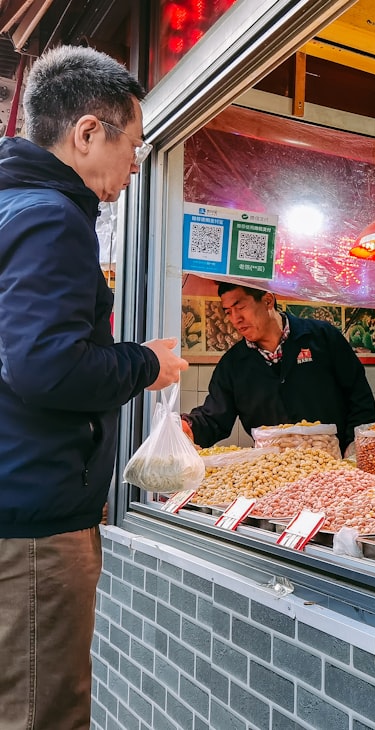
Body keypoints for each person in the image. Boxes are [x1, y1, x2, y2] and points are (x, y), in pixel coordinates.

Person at [0, 46, 188, 730]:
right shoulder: (51, 219)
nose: (137, 166)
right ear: (86, 133)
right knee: (41, 711)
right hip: (35, 525)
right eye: (133, 145)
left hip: (19, 501)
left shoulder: (12, 208)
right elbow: (45, 367)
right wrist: (146, 364)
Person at [181, 283, 375, 454]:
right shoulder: (232, 365)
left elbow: (359, 397)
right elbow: (213, 418)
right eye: (228, 312)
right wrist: (187, 428)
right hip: (274, 472)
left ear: (267, 301)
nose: (235, 319)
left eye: (240, 307)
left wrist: (355, 445)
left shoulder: (322, 337)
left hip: (333, 464)